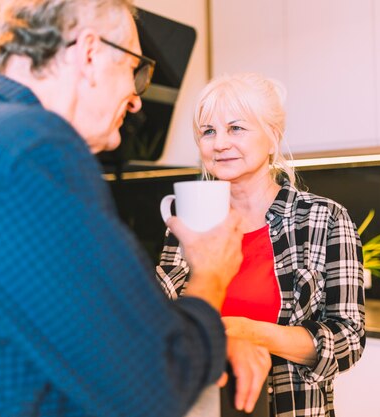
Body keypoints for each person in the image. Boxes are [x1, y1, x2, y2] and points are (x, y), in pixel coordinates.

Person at [0, 1, 270, 416]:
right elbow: (152, 385)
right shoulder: (35, 150)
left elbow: (78, 341)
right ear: (89, 53)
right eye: (133, 69)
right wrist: (212, 273)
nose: (137, 99)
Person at [156, 73, 366, 417]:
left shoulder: (324, 219)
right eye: (208, 131)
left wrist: (243, 330)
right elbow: (158, 316)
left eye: (236, 128)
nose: (219, 143)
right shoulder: (188, 218)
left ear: (272, 138)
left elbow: (348, 340)